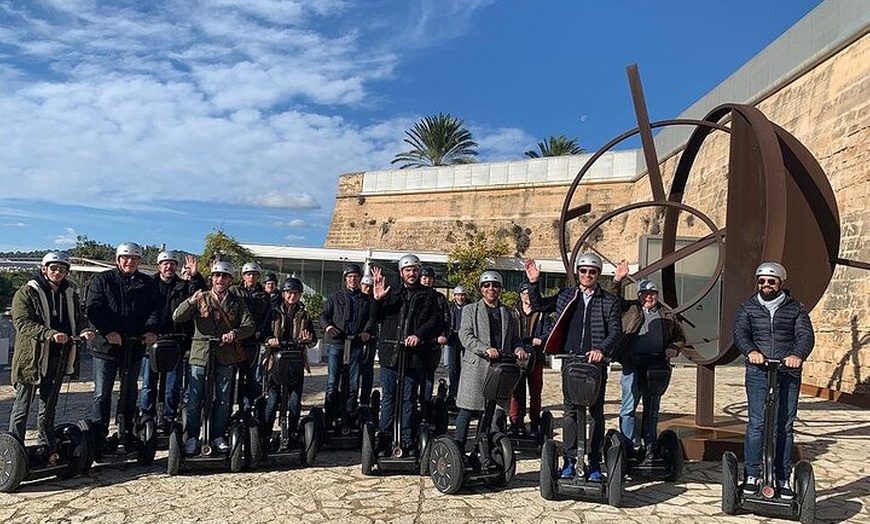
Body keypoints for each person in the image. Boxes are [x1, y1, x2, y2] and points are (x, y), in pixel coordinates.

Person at [524, 253, 622, 481]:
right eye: (584, 271)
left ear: (598, 274)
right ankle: (569, 460)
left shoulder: (608, 300)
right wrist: (533, 282)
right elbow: (538, 306)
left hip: (595, 364)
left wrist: (602, 350)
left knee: (596, 414)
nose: (587, 275)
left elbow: (616, 331)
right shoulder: (567, 295)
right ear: (578, 273)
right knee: (570, 413)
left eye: (592, 271)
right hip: (571, 361)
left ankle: (595, 463)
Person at [733, 262, 814, 500]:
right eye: (762, 281)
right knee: (757, 424)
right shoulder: (748, 307)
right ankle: (751, 474)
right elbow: (740, 333)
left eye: (771, 281)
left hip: (787, 372)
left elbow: (805, 335)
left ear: (780, 283)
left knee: (784, 426)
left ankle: (782, 477)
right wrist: (750, 351)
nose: (766, 285)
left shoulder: (796, 308)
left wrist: (797, 355)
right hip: (758, 371)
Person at [8, 252, 96, 448]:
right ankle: (14, 448)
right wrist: (49, 333)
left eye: (62, 269)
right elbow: (22, 322)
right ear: (44, 269)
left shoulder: (70, 294)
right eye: (53, 268)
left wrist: (85, 329)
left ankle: (46, 445)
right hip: (32, 359)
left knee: (48, 407)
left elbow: (79, 317)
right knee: (22, 407)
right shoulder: (27, 291)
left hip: (58, 357)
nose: (57, 272)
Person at [173, 261, 255, 454]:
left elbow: (249, 325)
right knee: (194, 398)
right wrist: (191, 302)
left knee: (223, 399)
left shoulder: (236, 301)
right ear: (211, 278)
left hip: (225, 355)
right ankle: (192, 436)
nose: (220, 280)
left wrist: (235, 333)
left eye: (224, 276)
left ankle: (218, 435)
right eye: (216, 276)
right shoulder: (201, 297)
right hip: (200, 355)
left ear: (230, 280)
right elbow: (177, 317)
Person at [86, 242, 160, 451]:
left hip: (133, 346)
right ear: (117, 260)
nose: (130, 262)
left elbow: (155, 309)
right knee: (102, 393)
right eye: (126, 258)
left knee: (129, 392)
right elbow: (94, 308)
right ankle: (99, 434)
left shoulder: (147, 283)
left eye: (134, 259)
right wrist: (108, 331)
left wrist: (151, 330)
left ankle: (126, 432)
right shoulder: (102, 280)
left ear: (139, 262)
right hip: (105, 348)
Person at [609, 261, 685, 459]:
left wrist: (673, 348)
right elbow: (612, 300)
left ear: (657, 295)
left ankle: (650, 443)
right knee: (628, 406)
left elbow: (679, 336)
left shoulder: (667, 314)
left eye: (652, 293)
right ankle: (629, 445)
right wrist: (618, 279)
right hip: (632, 363)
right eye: (645, 293)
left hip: (657, 365)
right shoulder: (630, 309)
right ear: (639, 295)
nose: (649, 296)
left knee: (652, 407)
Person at [369, 254, 440, 453]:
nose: (412, 273)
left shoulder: (429, 295)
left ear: (419, 272)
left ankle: (407, 438)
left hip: (414, 355)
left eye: (415, 270)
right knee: (389, 397)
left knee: (409, 397)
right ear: (401, 273)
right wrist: (376, 299)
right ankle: (385, 437)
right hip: (390, 353)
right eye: (407, 270)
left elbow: (435, 321)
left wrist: (418, 335)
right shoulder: (391, 293)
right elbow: (375, 318)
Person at [454, 271, 527, 448]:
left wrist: (518, 349)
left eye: (495, 285)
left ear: (500, 289)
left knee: (495, 413)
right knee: (467, 410)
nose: (491, 289)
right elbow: (465, 335)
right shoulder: (470, 310)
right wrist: (485, 349)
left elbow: (515, 337)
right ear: (481, 289)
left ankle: (490, 449)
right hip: (477, 367)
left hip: (500, 369)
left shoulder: (508, 312)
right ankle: (458, 448)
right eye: (486, 285)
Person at [139, 251, 206, 434]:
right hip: (151, 340)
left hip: (175, 341)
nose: (169, 267)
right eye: (165, 263)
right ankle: (146, 417)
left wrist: (196, 276)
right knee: (148, 384)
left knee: (172, 386)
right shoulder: (148, 284)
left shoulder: (183, 286)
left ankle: (168, 419)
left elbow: (199, 294)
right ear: (159, 265)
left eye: (172, 264)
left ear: (176, 267)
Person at [261, 278, 317, 444]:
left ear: (300, 294)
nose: (292, 296)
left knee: (294, 402)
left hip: (296, 361)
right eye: (288, 293)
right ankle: (265, 435)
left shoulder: (304, 314)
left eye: (295, 293)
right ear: (283, 293)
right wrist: (270, 339)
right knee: (272, 401)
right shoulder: (273, 312)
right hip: (275, 361)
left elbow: (313, 340)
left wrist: (307, 339)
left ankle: (292, 434)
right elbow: (263, 333)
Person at [320, 263, 373, 415]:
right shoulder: (335, 297)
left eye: (355, 277)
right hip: (337, 343)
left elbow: (371, 319)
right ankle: (330, 414)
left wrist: (367, 332)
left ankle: (350, 413)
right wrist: (328, 327)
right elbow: (324, 315)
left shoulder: (365, 300)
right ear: (345, 279)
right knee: (332, 381)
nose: (352, 280)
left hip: (356, 344)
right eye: (350, 277)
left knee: (353, 382)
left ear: (359, 279)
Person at [507, 281, 548, 437]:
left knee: (535, 392)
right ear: (520, 295)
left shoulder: (541, 313)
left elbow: (549, 331)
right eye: (524, 293)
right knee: (516, 392)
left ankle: (535, 423)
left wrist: (541, 338)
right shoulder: (513, 312)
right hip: (516, 357)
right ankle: (515, 422)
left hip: (536, 357)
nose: (527, 296)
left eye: (529, 293)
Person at [230, 261, 270, 409]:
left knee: (250, 376)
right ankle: (228, 407)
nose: (251, 277)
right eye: (248, 274)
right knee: (232, 375)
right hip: (236, 340)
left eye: (254, 274)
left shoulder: (264, 296)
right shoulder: (234, 291)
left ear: (258, 276)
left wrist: (260, 331)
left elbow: (267, 316)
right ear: (243, 276)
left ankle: (245, 408)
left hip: (253, 341)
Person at [419, 266, 449, 412]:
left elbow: (446, 319)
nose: (426, 280)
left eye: (429, 278)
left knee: (428, 375)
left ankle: (426, 406)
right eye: (424, 277)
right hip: (415, 343)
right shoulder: (414, 295)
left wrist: (443, 335)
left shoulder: (439, 298)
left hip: (433, 343)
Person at [445, 286, 468, 410]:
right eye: (458, 295)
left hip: (464, 338)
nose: (460, 297)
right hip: (452, 338)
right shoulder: (451, 308)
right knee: (452, 366)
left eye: (462, 295)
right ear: (454, 297)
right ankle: (453, 393)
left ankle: (463, 393)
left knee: (465, 366)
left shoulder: (468, 308)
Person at [359, 274, 377, 407]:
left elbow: (373, 319)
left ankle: (365, 400)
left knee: (367, 371)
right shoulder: (357, 299)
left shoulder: (374, 301)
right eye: (365, 286)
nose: (368, 289)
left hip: (369, 339)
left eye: (370, 286)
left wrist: (368, 332)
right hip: (355, 340)